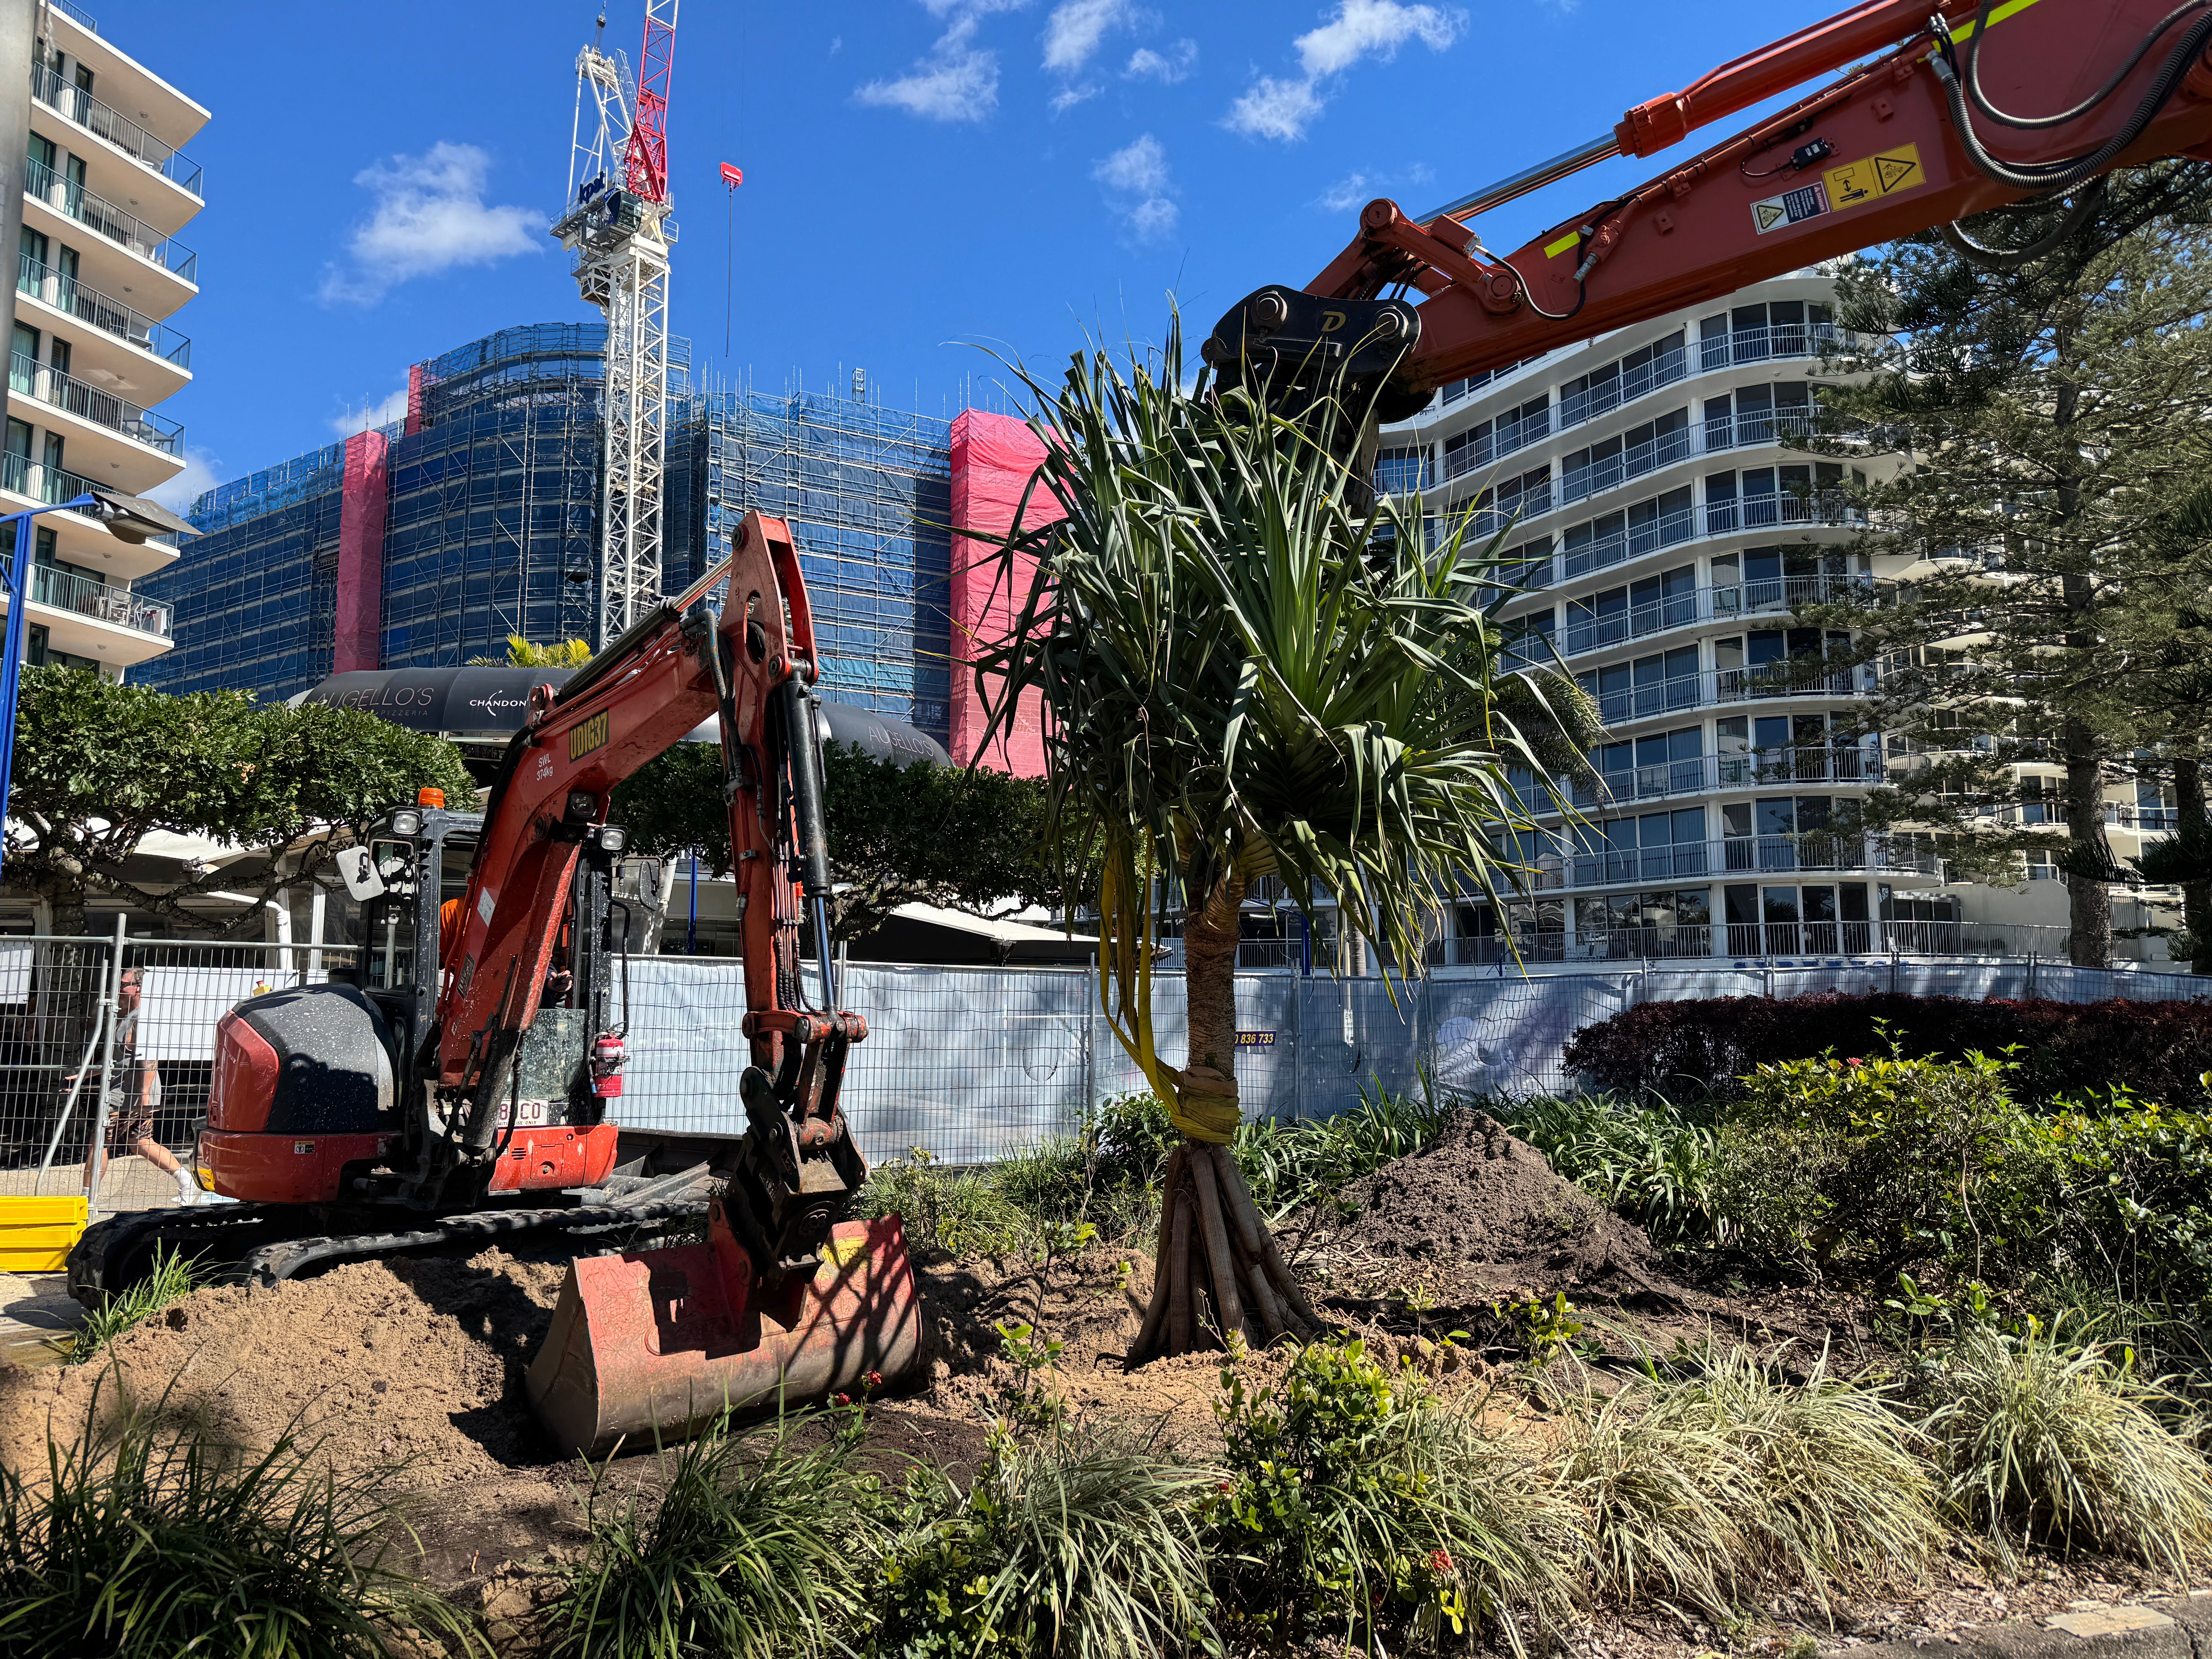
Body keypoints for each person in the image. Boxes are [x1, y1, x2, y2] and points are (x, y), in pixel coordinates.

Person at [79, 967, 197, 1208]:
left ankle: (86, 1200)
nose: (119, 989)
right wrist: (85, 1076)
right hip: (126, 1090)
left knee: (100, 1141)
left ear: (139, 988)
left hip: (129, 1093)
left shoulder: (142, 1017)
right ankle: (187, 1181)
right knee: (140, 1142)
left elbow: (149, 1058)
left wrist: (143, 1094)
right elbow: (121, 1060)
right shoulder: (129, 1015)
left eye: (124, 985)